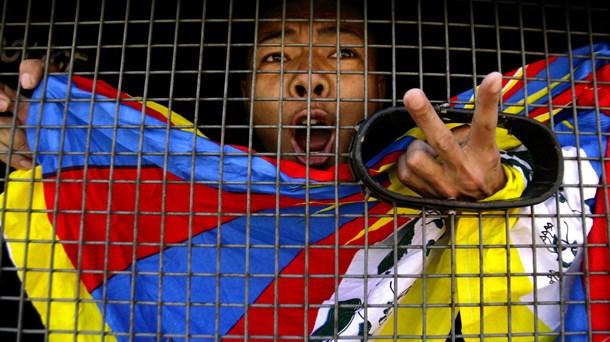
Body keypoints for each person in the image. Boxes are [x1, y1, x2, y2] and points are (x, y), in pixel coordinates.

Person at [0, 0, 593, 340]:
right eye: (275, 56)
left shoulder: (456, 162)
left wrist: (502, 189)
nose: (310, 77)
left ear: (383, 88)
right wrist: (51, 131)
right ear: (241, 93)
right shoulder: (177, 188)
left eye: (344, 52)